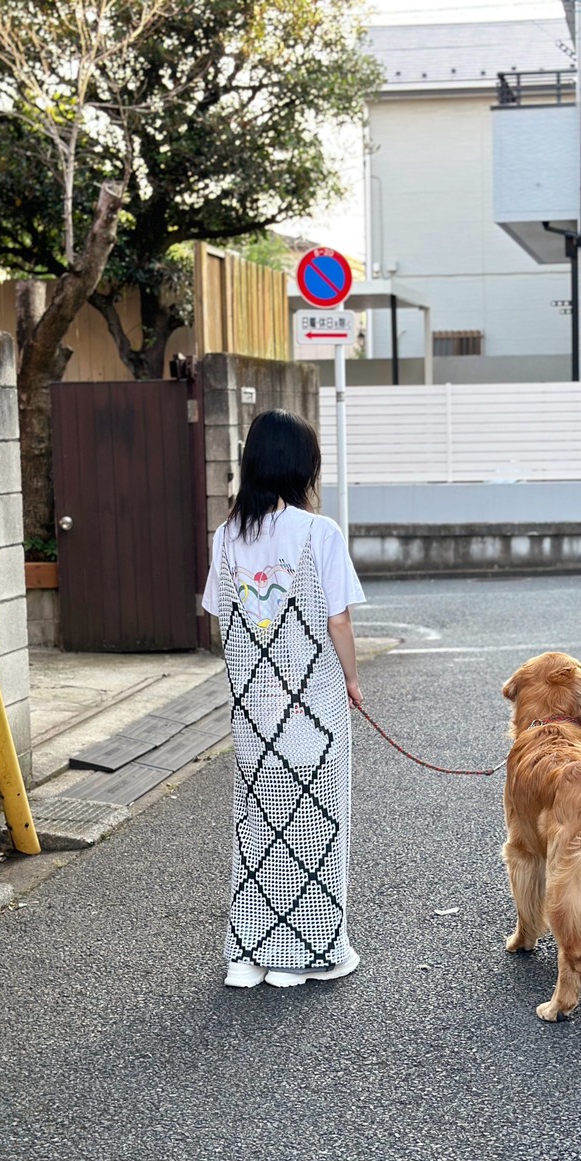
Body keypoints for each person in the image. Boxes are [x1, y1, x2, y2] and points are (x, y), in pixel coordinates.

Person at [202, 407, 365, 990]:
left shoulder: (225, 538)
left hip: (254, 709)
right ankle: (309, 954)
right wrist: (351, 680)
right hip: (313, 705)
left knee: (259, 826)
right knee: (315, 828)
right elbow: (338, 620)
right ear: (301, 467)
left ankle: (248, 957)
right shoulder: (319, 533)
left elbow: (222, 616)